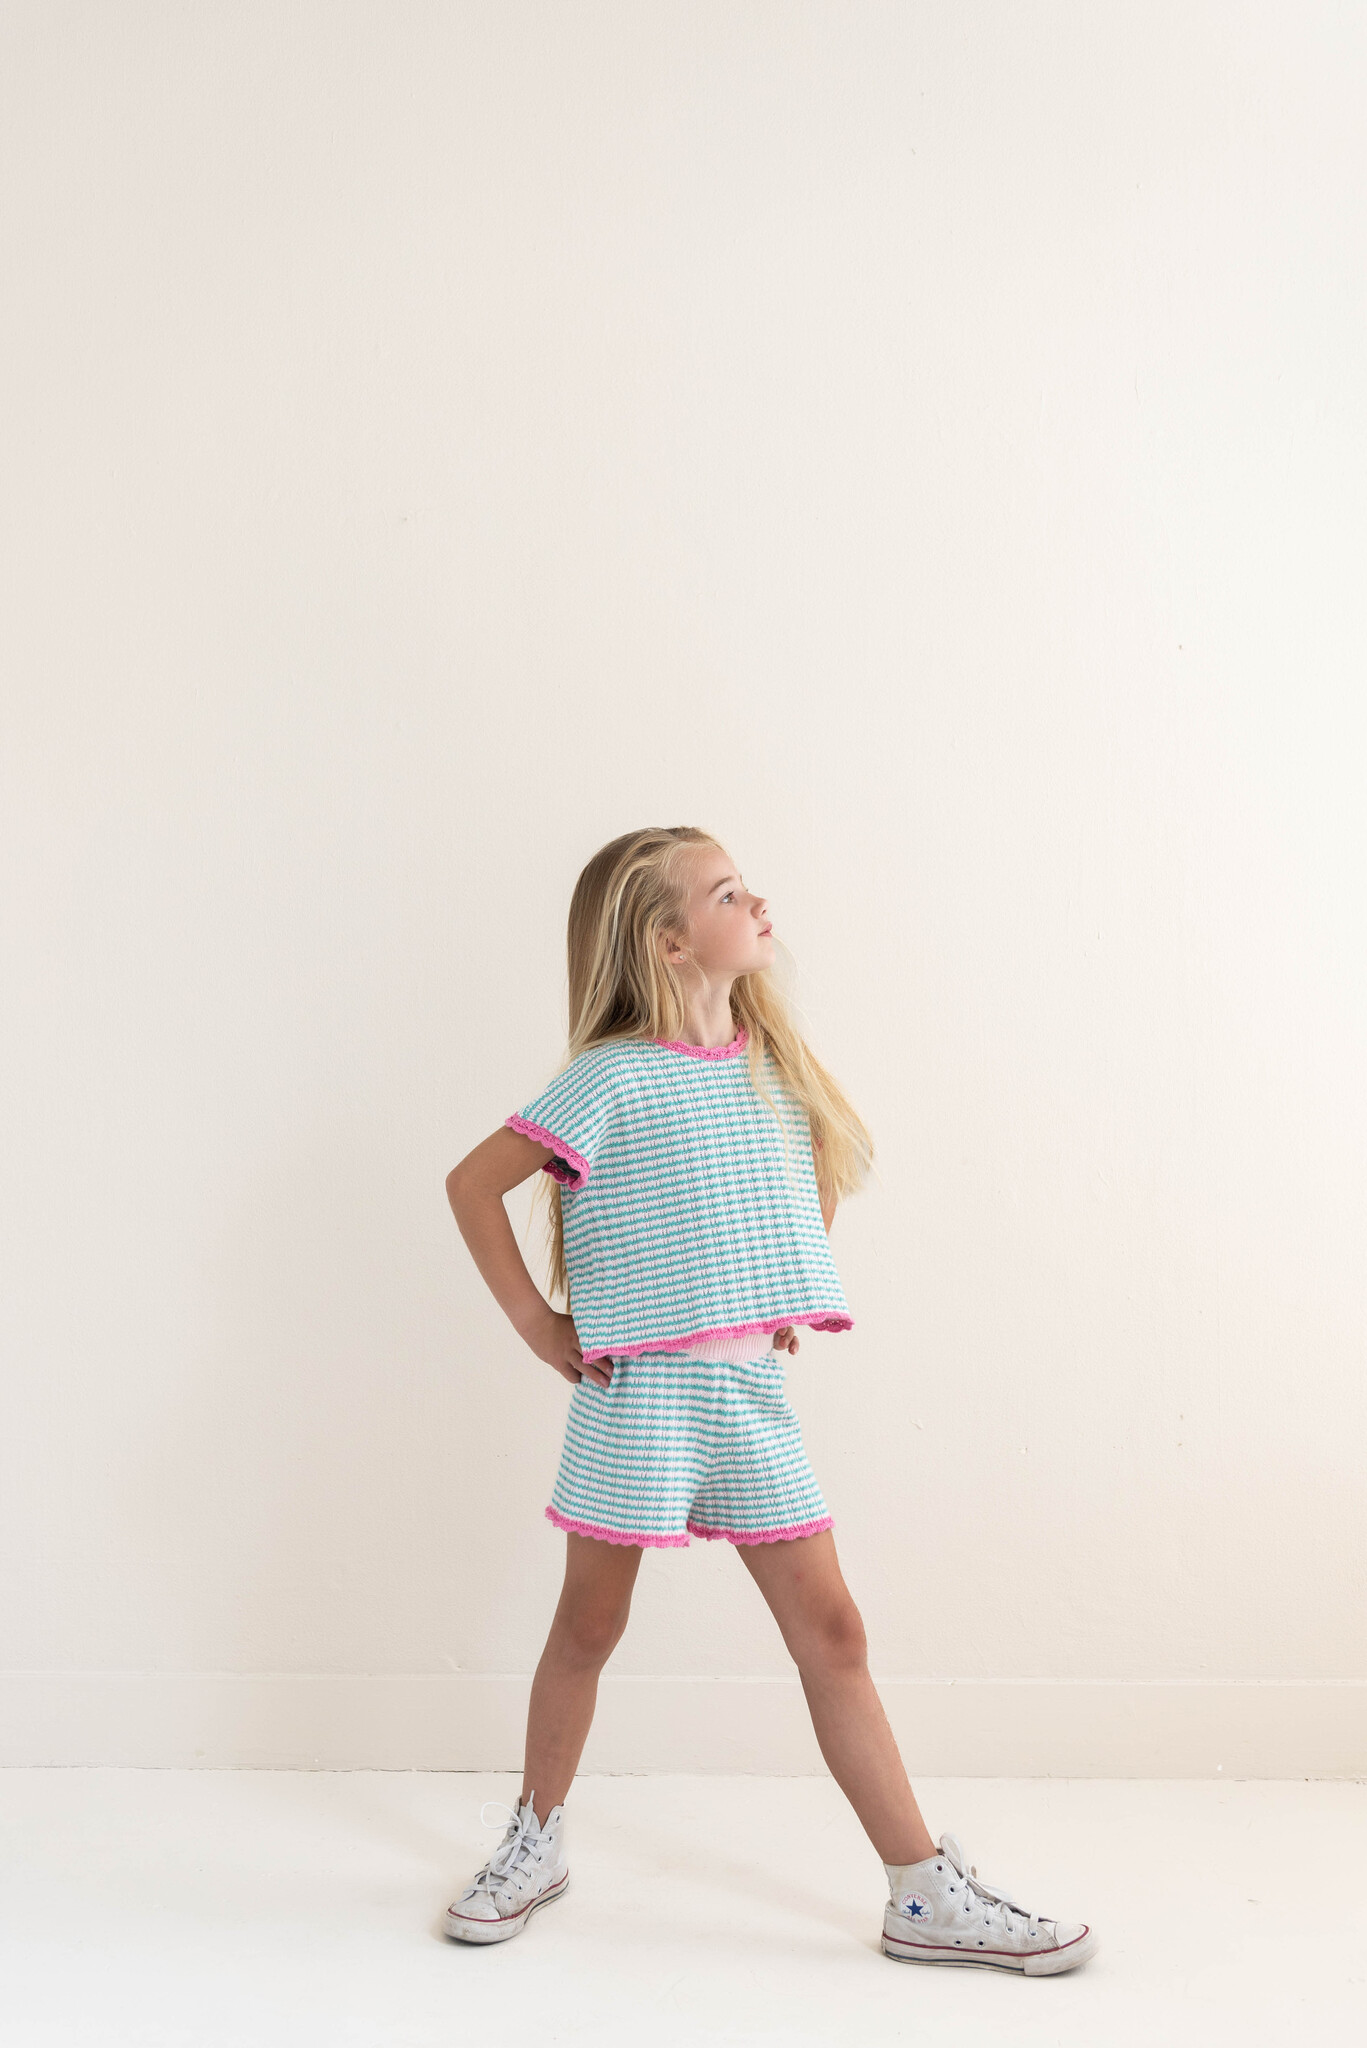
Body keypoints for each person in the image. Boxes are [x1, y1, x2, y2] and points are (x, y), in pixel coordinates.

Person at [441, 825, 1096, 1974]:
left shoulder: (771, 1066)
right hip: (638, 1396)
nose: (757, 903)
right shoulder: (607, 1077)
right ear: (667, 939)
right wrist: (541, 1327)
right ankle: (533, 1838)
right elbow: (471, 1182)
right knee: (588, 1624)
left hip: (746, 1395)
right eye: (726, 892)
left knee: (833, 1631)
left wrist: (781, 1285)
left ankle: (918, 1888)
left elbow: (814, 1170)